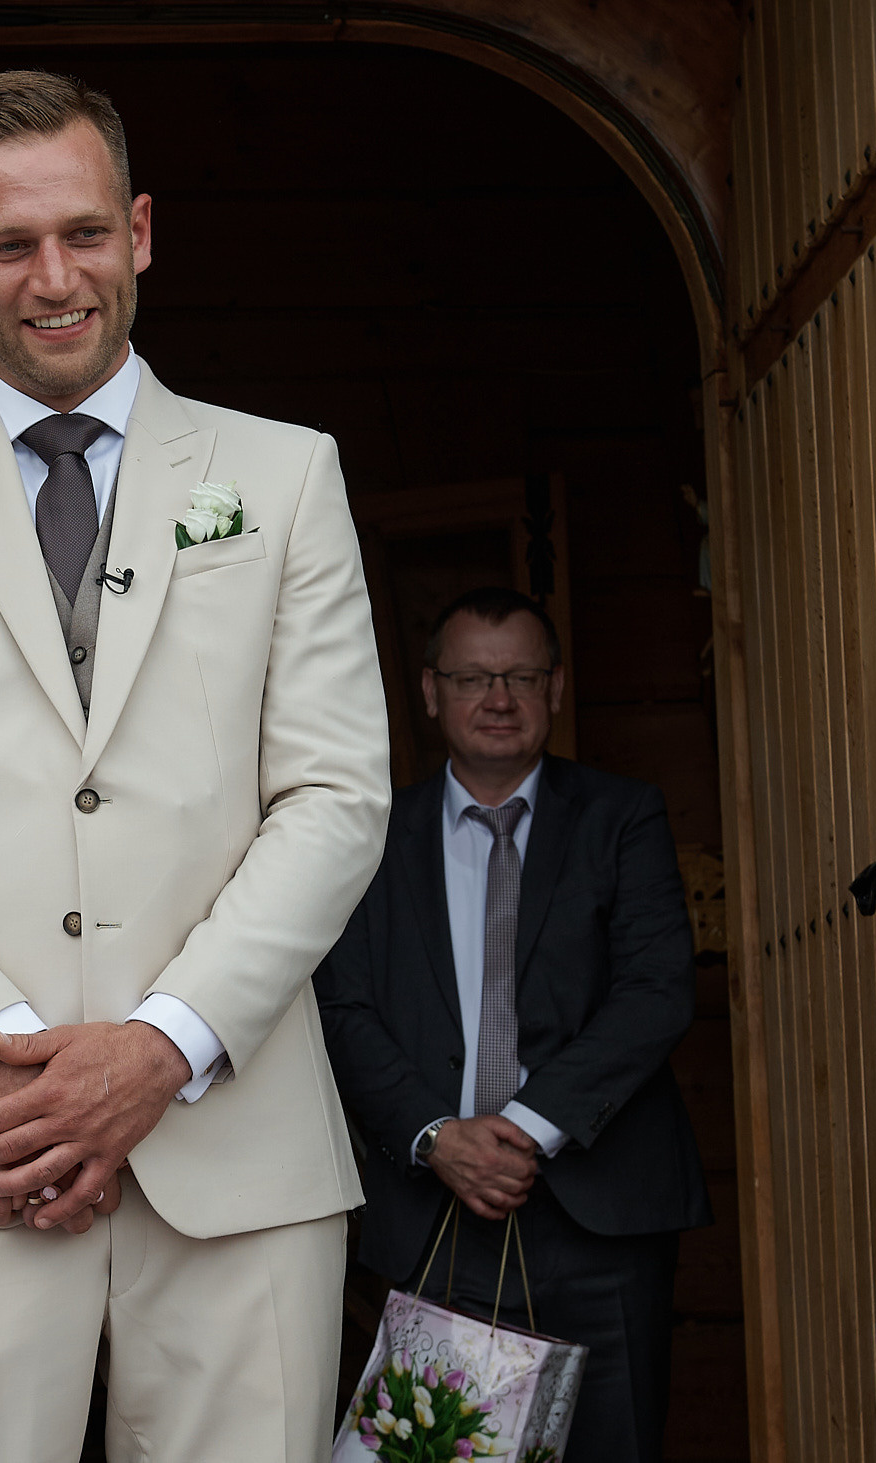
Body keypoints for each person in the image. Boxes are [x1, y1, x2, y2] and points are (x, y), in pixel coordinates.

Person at [0, 71, 391, 1463]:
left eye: (86, 234)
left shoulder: (284, 475)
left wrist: (166, 1041)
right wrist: (5, 1063)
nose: (56, 278)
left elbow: (336, 795)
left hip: (242, 1163)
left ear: (142, 231)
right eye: (11, 245)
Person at [314, 585, 712, 1463]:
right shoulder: (368, 835)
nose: (499, 697)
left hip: (600, 1214)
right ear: (429, 691)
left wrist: (521, 1130)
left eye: (521, 675)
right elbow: (340, 1008)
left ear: (557, 688)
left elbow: (654, 992)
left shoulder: (623, 816)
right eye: (473, 677)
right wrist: (436, 1135)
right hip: (434, 1215)